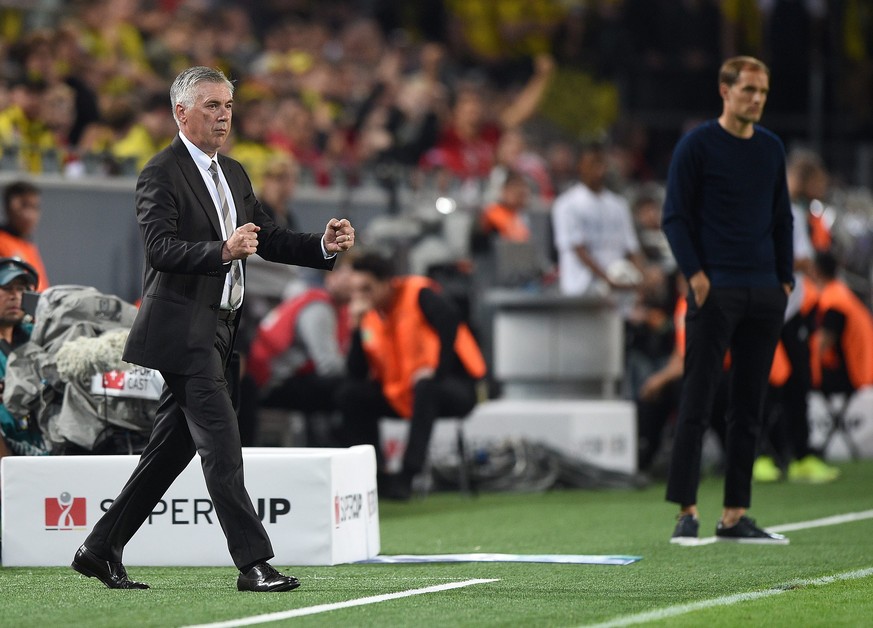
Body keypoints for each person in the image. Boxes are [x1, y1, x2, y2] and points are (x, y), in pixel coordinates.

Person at [70, 66, 356, 592]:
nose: (224, 115)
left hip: (223, 331)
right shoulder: (160, 172)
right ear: (181, 112)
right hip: (183, 333)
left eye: (227, 105)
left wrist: (322, 244)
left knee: (168, 453)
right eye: (211, 105)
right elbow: (159, 248)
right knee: (222, 445)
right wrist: (221, 251)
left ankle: (100, 547)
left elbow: (266, 237)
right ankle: (254, 564)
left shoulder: (237, 173)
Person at [661, 56, 794, 545]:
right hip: (715, 289)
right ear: (724, 91)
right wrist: (696, 277)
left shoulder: (772, 148)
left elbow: (783, 219)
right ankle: (686, 511)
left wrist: (783, 279)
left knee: (750, 406)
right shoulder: (696, 145)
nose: (757, 99)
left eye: (762, 90)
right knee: (697, 399)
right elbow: (674, 217)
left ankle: (735, 514)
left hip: (763, 291)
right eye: (748, 90)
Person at [338, 251, 486, 501]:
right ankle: (376, 477)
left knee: (426, 387)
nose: (360, 297)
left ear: (386, 282)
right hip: (401, 393)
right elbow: (357, 373)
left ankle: (407, 476)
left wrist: (438, 370)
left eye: (367, 289)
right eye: (355, 291)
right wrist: (355, 328)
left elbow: (450, 321)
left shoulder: (418, 293)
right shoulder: (368, 316)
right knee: (349, 394)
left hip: (454, 388)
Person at [246, 261, 354, 446]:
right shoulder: (319, 307)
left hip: (282, 377)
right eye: (350, 275)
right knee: (350, 392)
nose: (355, 283)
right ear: (331, 277)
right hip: (274, 383)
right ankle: (343, 449)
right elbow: (328, 366)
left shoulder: (327, 304)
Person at [551, 142, 644, 298]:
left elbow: (632, 247)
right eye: (592, 163)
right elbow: (578, 248)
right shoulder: (566, 204)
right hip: (581, 289)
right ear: (580, 166)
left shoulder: (618, 205)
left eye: (601, 163)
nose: (597, 169)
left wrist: (639, 277)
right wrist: (607, 279)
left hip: (617, 288)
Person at [0, 257, 46, 459]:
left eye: (22, 289)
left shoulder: (38, 338)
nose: (16, 296)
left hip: (41, 451)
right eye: (7, 288)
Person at [0, 180, 49, 292]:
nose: (30, 214)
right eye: (24, 206)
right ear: (9, 207)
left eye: (35, 207)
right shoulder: (1, 241)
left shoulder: (29, 246)